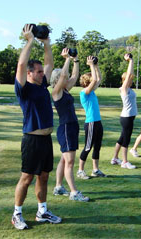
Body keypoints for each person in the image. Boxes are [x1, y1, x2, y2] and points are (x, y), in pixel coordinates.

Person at [13, 24, 61, 230]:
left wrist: (47, 44)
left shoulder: (42, 85)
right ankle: (17, 214)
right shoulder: (23, 88)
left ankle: (42, 211)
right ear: (30, 73)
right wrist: (30, 41)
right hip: (31, 139)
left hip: (45, 139)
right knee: (27, 177)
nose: (44, 74)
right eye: (39, 72)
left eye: (43, 71)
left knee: (43, 175)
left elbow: (49, 63)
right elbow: (22, 64)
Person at [51, 48, 89, 202]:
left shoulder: (65, 90)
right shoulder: (56, 91)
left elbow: (74, 76)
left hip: (71, 126)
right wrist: (66, 58)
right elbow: (64, 76)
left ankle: (59, 187)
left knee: (64, 159)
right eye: (63, 77)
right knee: (70, 161)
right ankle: (74, 192)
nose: (66, 78)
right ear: (59, 79)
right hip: (66, 127)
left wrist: (76, 60)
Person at [77, 56, 106, 179]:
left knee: (97, 147)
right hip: (91, 123)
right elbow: (94, 80)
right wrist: (90, 65)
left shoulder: (92, 91)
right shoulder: (84, 93)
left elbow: (98, 79)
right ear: (87, 82)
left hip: (97, 122)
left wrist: (96, 65)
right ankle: (80, 171)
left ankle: (95, 170)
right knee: (88, 147)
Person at [111, 53, 137, 169]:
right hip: (127, 118)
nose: (131, 80)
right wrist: (130, 61)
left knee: (122, 138)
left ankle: (115, 158)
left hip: (128, 117)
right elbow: (129, 74)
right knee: (126, 139)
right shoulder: (124, 89)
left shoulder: (129, 89)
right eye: (130, 79)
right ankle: (125, 162)